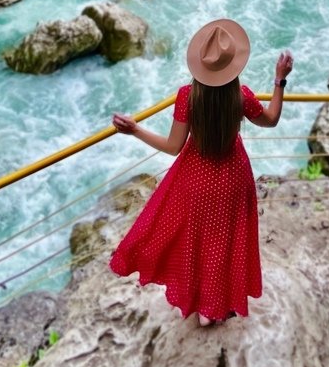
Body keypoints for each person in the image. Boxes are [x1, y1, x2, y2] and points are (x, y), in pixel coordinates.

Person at [109, 18, 294, 326]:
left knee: (194, 245)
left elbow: (173, 146)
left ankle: (196, 310)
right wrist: (280, 79)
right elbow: (272, 118)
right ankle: (221, 308)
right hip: (234, 180)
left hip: (196, 181)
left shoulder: (188, 97)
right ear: (233, 66)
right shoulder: (242, 96)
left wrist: (135, 130)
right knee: (224, 245)